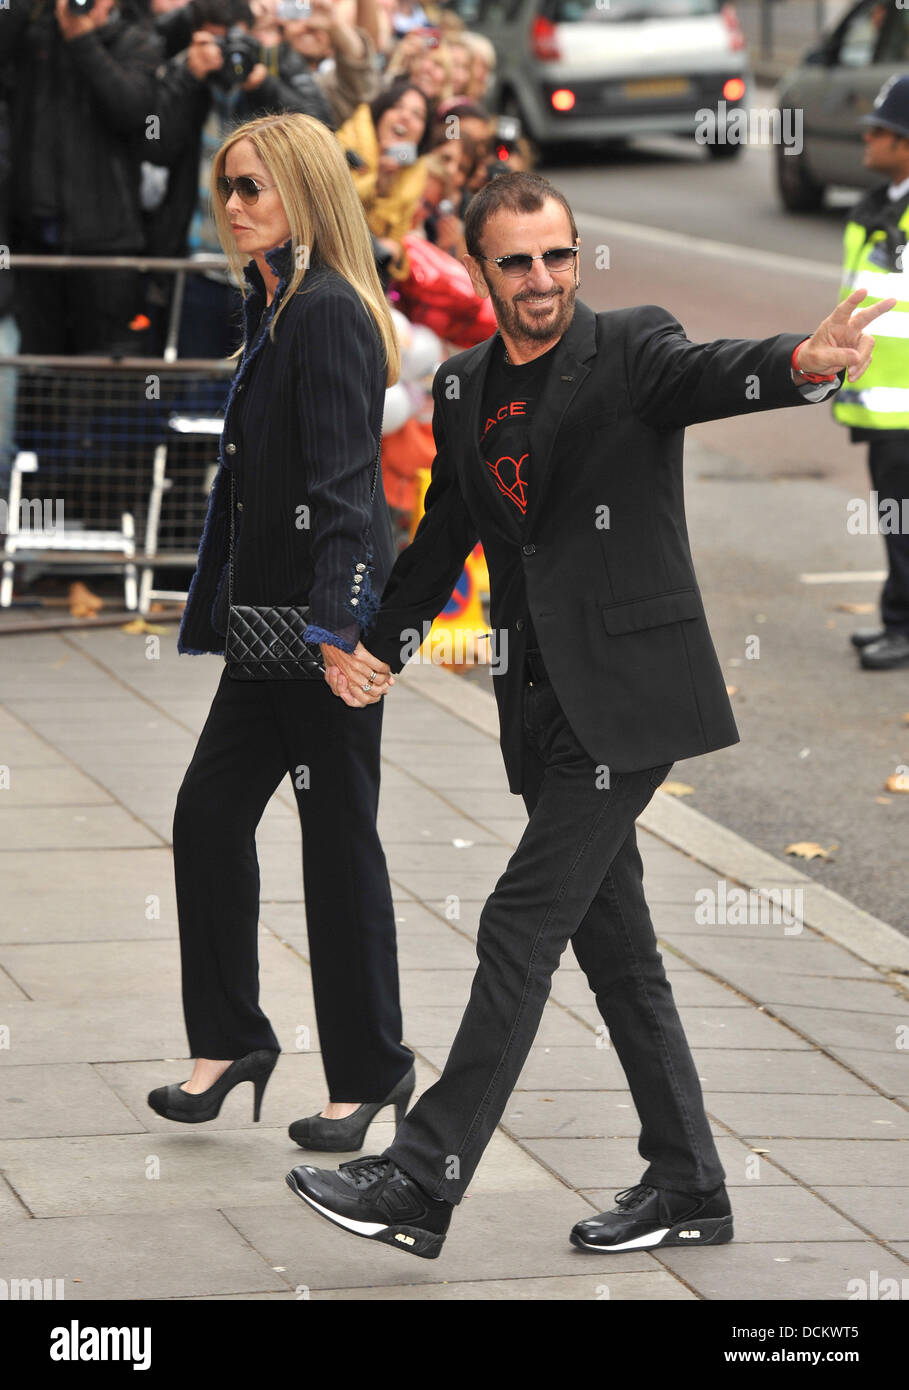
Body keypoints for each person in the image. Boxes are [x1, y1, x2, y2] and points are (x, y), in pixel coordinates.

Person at [285, 172, 893, 1259]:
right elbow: (442, 541)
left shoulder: (630, 350)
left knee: (519, 922)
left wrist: (797, 365)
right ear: (482, 268)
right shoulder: (467, 387)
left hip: (630, 705)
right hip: (541, 707)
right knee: (620, 953)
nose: (542, 280)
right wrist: (380, 646)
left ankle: (424, 1179)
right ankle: (691, 1183)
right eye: (517, 262)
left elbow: (711, 373)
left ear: (578, 256)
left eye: (559, 256)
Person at [150, 111, 416, 1149]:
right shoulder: (276, 307)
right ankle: (232, 1042)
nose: (236, 204)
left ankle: (370, 1071)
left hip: (319, 632)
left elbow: (351, 490)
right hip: (266, 631)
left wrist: (342, 629)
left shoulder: (329, 315)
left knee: (336, 845)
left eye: (254, 185)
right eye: (228, 187)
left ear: (304, 191)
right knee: (208, 818)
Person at [835, 75, 909, 671]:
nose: (868, 136)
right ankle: (897, 615)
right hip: (884, 402)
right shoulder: (882, 208)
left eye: (881, 130)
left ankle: (903, 628)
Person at [335, 81, 431, 278]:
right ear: (381, 114)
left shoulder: (415, 174)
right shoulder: (347, 144)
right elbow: (333, 203)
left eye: (417, 115)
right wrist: (377, 184)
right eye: (397, 107)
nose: (405, 116)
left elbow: (397, 244)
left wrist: (394, 249)